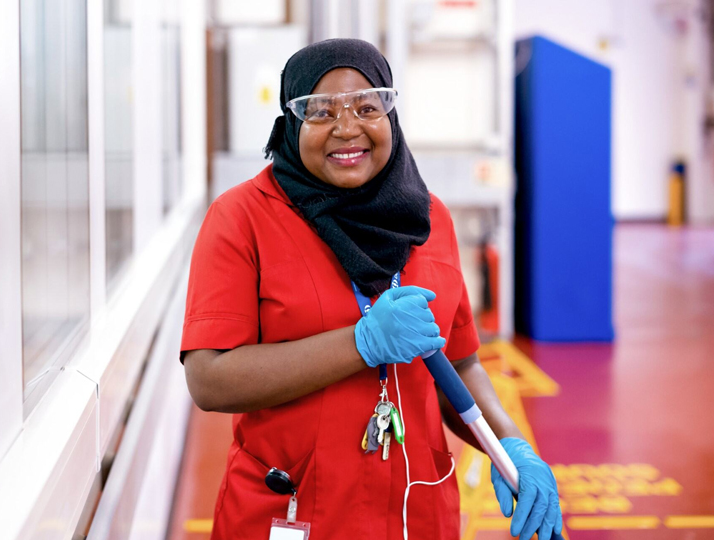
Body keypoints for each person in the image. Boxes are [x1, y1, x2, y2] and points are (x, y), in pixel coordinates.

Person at [180, 38, 563, 540]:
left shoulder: (429, 218)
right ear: (292, 125)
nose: (347, 128)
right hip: (295, 511)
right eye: (320, 112)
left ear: (390, 116)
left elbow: (461, 360)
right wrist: (360, 344)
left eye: (367, 106)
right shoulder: (242, 217)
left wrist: (509, 443)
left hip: (415, 512)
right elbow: (209, 378)